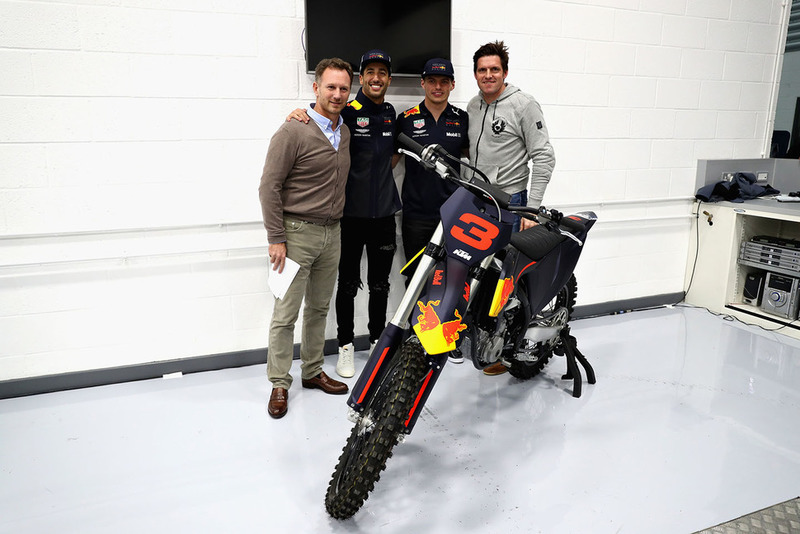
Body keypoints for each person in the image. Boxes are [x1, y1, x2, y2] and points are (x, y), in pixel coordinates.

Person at [286, 49, 400, 379]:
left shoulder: (393, 113)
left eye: (382, 72)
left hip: (384, 215)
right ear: (360, 79)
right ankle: (347, 346)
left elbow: (392, 156)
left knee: (380, 285)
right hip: (348, 217)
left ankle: (379, 341)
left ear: (388, 79)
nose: (376, 78)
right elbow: (318, 119)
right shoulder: (346, 111)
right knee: (348, 285)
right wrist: (299, 113)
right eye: (370, 72)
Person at [258, 57, 353, 419]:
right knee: (285, 313)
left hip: (333, 234)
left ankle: (312, 371)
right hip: (295, 235)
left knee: (318, 309)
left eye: (344, 88)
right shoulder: (293, 130)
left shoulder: (343, 131)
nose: (337, 94)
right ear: (316, 88)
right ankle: (279, 383)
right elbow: (269, 186)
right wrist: (276, 237)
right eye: (330, 86)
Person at [467, 40, 556, 375]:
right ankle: (481, 339)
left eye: (494, 69)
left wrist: (532, 211)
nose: (488, 75)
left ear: (504, 72)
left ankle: (506, 352)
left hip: (512, 205)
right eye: (482, 69)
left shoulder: (523, 104)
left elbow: (544, 158)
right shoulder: (474, 106)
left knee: (507, 282)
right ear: (475, 74)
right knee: (482, 277)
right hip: (478, 203)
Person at [393, 58, 469, 362]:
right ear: (422, 83)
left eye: (444, 81)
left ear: (451, 84)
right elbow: (389, 164)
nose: (438, 87)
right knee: (416, 277)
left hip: (454, 214)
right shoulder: (406, 119)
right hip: (416, 213)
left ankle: (450, 337)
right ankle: (414, 336)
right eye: (431, 81)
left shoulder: (462, 119)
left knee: (452, 279)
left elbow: (472, 161)